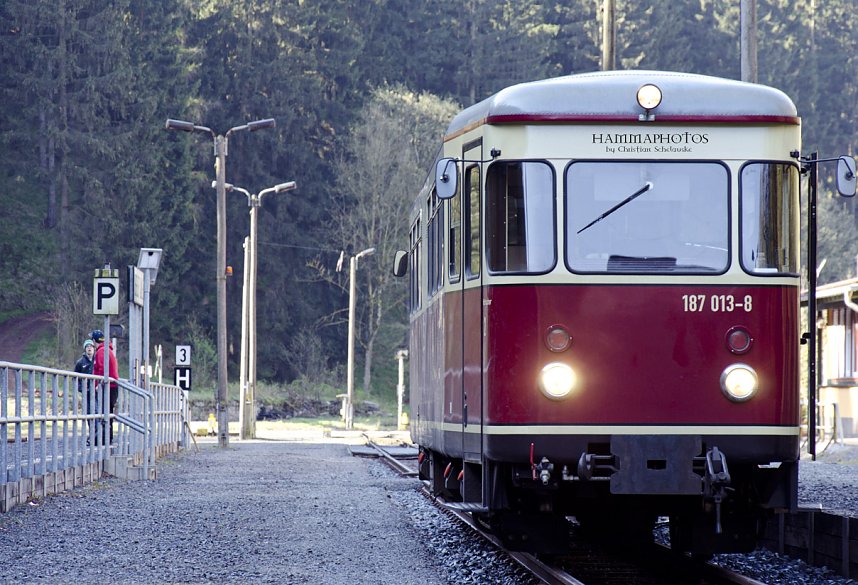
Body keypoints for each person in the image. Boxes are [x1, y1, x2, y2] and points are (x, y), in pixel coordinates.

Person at [91, 329, 119, 445]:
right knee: (107, 413)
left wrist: (98, 384)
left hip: (108, 387)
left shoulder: (101, 352)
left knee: (105, 413)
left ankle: (105, 439)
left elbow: (102, 369)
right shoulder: (107, 350)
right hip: (111, 386)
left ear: (93, 340)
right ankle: (106, 438)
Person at [74, 339, 97, 444]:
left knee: (98, 413)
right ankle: (92, 435)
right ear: (85, 348)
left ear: (94, 348)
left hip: (98, 392)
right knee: (89, 414)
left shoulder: (98, 360)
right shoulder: (80, 362)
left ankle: (98, 436)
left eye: (91, 346)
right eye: (87, 346)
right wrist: (81, 388)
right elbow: (75, 377)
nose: (89, 348)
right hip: (87, 393)